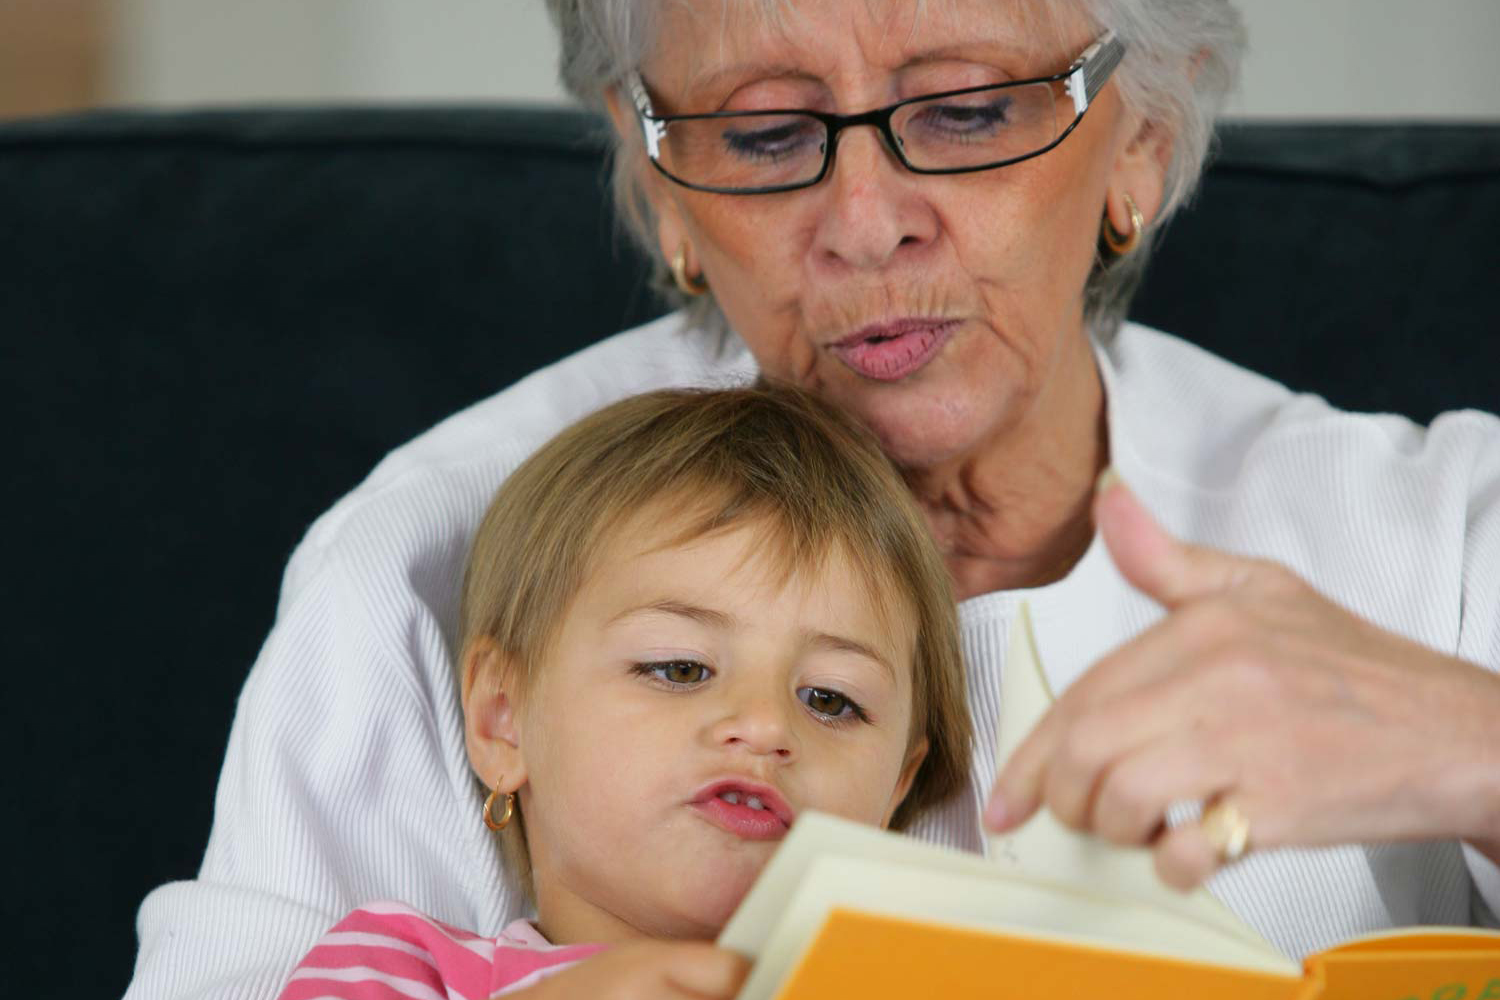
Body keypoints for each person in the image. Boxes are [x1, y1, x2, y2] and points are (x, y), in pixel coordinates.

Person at [125, 1, 1500, 998]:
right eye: (766, 134)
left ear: (1139, 132)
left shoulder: (1442, 533)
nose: (864, 220)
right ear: (655, 172)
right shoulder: (434, 545)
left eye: (963, 110)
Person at [270, 384, 971, 999]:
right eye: (680, 668)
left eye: (830, 699)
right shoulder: (406, 976)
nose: (764, 725)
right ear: (503, 720)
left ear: (897, 790)